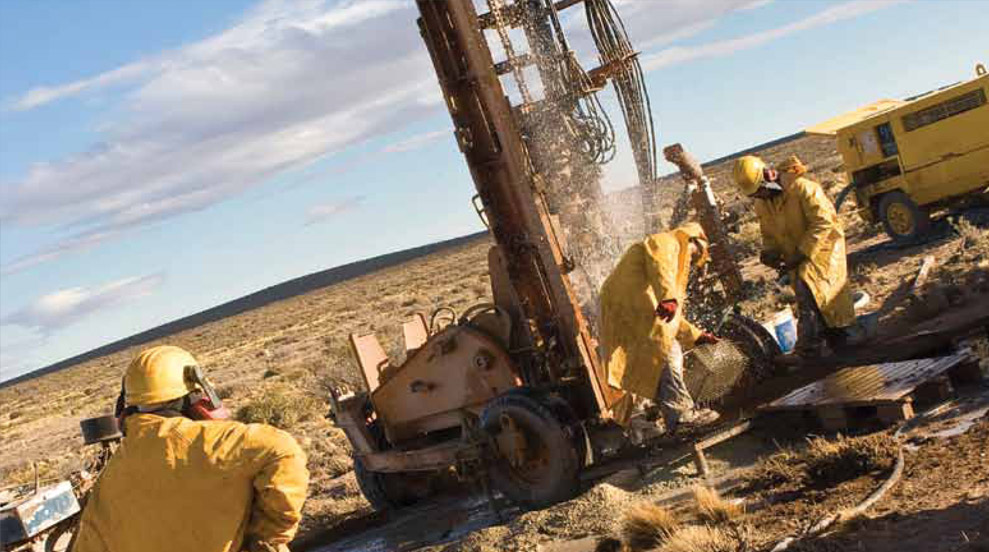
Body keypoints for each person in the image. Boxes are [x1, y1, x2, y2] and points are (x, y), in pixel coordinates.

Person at [73, 345, 309, 552]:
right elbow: (282, 450)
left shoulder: (105, 486)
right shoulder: (214, 443)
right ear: (196, 396)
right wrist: (263, 540)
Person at [599, 222, 721, 433]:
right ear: (691, 239)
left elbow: (669, 318)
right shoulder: (668, 242)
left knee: (654, 358)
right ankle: (682, 418)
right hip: (630, 305)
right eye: (695, 253)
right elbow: (660, 266)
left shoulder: (662, 274)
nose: (691, 259)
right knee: (665, 352)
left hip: (627, 307)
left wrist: (696, 335)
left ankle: (652, 415)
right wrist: (669, 298)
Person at [733, 154, 857, 356]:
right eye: (755, 194)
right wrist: (769, 253)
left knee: (822, 300)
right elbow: (769, 233)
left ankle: (815, 349)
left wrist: (802, 252)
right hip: (797, 260)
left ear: (769, 175)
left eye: (761, 190)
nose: (760, 196)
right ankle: (832, 348)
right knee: (810, 302)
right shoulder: (763, 203)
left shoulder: (803, 188)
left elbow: (823, 223)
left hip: (823, 253)